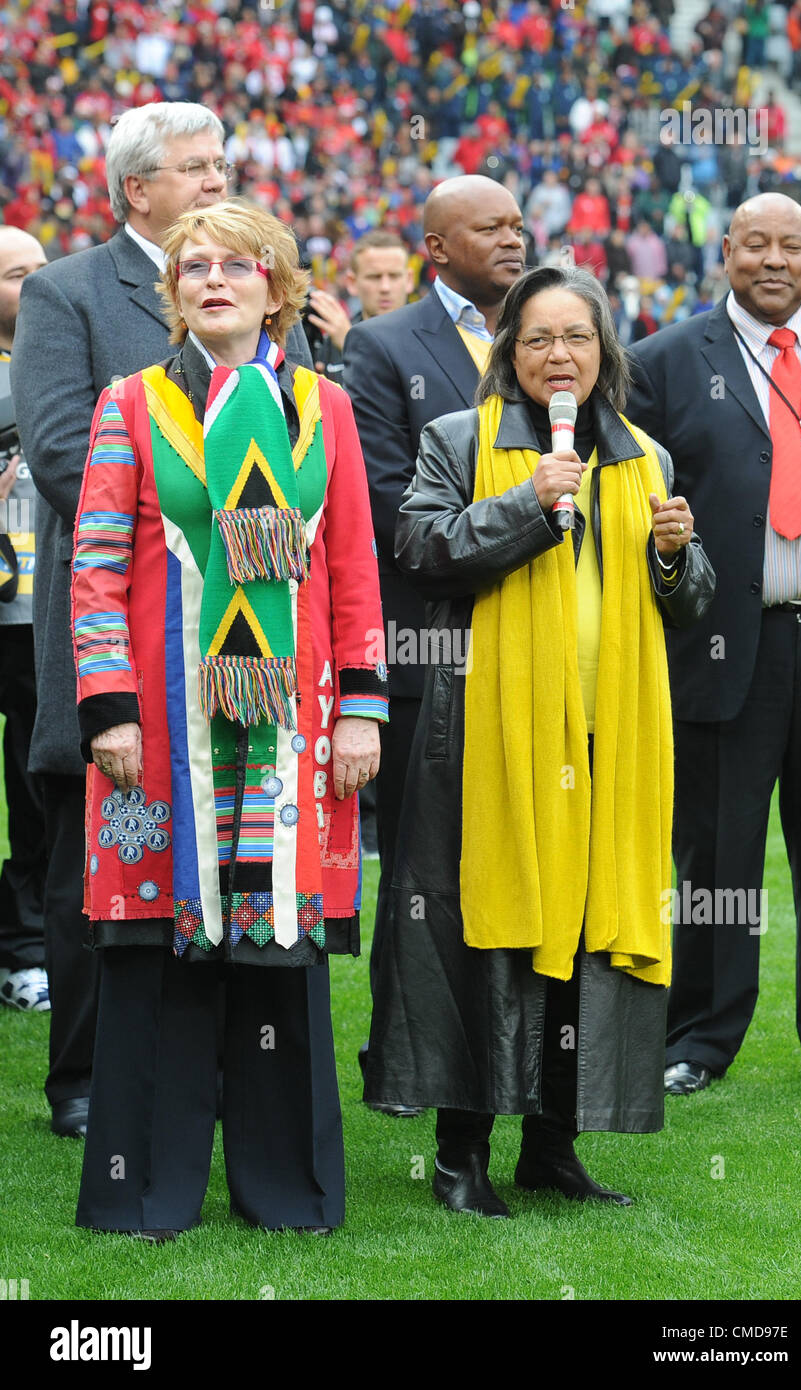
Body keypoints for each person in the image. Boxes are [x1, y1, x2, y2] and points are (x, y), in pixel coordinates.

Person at [364, 265, 715, 1216]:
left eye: (578, 338)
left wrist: (678, 558)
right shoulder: (457, 440)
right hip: (491, 735)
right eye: (536, 340)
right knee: (492, 935)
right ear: (507, 354)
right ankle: (460, 1154)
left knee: (589, 930)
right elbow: (422, 550)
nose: (558, 357)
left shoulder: (644, 454)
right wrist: (529, 501)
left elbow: (688, 607)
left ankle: (553, 1146)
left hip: (609, 736)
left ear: (607, 354)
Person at [70, 198, 388, 1239]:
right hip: (160, 732)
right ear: (172, 293)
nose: (213, 279)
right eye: (193, 266)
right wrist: (108, 705)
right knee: (155, 951)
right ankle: (142, 1193)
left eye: (237, 266)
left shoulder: (323, 411)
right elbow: (98, 564)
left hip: (291, 733)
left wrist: (361, 711)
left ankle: (286, 1195)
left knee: (277, 951)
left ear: (278, 289)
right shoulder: (130, 404)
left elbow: (350, 567)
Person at [12, 100, 313, 1140]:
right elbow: (57, 453)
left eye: (221, 162)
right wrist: (195, 522)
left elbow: (299, 454)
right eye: (194, 167)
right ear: (136, 189)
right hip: (126, 630)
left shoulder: (264, 283)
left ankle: (221, 1069)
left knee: (234, 848)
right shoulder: (67, 291)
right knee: (98, 850)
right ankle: (89, 1076)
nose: (215, 180)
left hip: (253, 643)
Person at [626, 193, 801, 1096]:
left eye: (793, 245)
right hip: (722, 644)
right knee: (718, 853)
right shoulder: (665, 363)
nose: (776, 261)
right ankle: (700, 1039)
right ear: (724, 252)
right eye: (757, 245)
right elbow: (637, 510)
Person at [342, 174, 526, 1117]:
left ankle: (512, 1065)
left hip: (539, 654)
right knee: (423, 872)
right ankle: (402, 1064)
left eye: (518, 222)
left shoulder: (555, 331)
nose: (513, 236)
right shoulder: (382, 346)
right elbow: (384, 498)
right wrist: (519, 529)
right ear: (438, 249)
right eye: (489, 226)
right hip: (430, 650)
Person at [0, 228, 49, 1014]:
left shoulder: (62, 362)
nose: (38, 284)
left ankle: (31, 946)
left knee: (38, 780)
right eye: (18, 275)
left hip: (43, 609)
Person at [308, 230, 414, 383]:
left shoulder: (430, 339)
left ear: (409, 280)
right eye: (374, 277)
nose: (385, 287)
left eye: (394, 276)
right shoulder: (331, 342)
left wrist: (350, 347)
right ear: (352, 282)